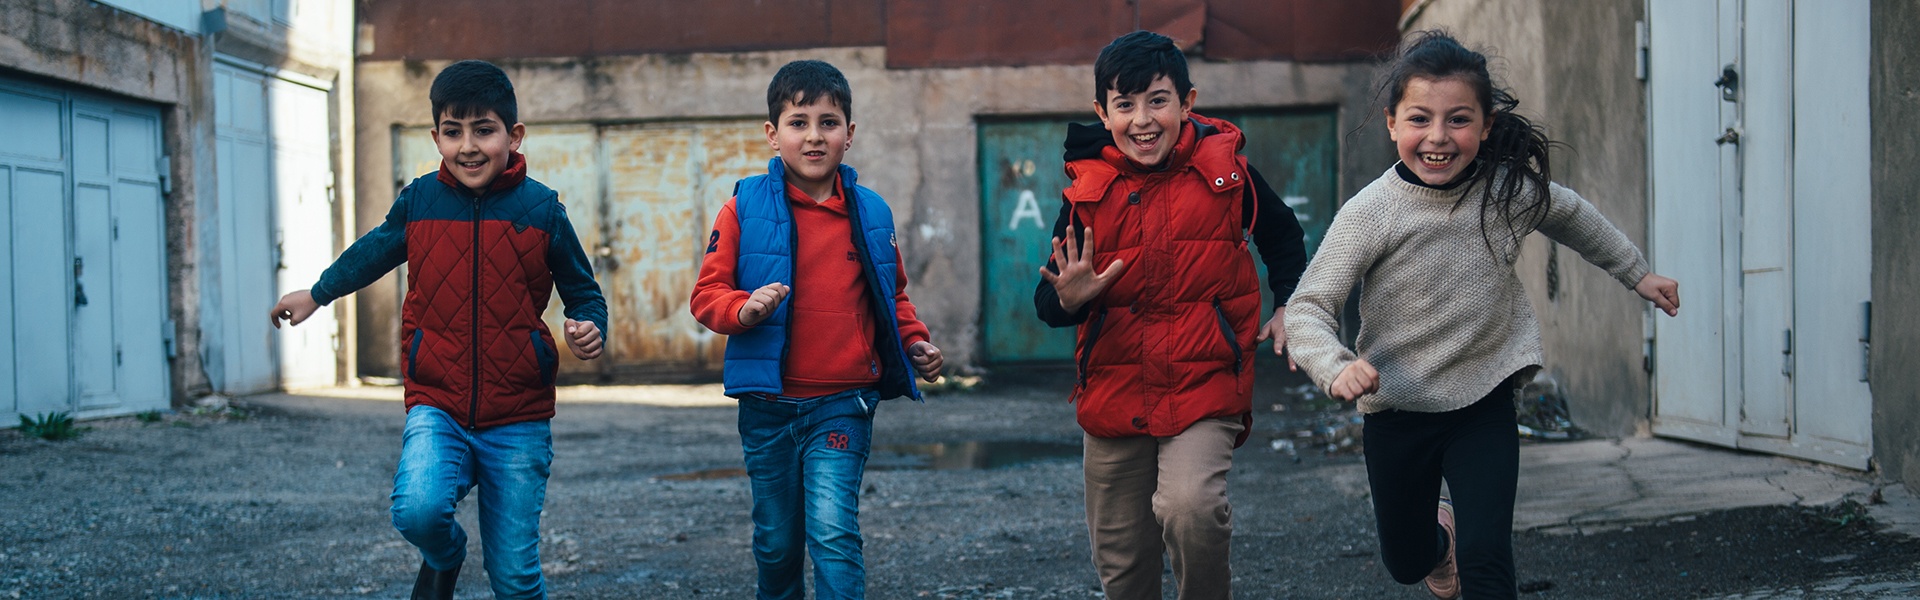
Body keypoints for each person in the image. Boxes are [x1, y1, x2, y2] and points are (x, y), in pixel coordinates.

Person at [1284, 31, 1681, 600]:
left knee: (1488, 556)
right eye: (1420, 119)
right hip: (1398, 408)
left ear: (1487, 125)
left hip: (1484, 398)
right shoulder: (1369, 213)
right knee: (1406, 559)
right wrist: (1334, 364)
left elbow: (1569, 213)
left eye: (1459, 120)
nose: (1439, 138)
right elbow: (1309, 307)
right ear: (1392, 123)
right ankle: (1436, 546)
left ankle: (1463, 549)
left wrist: (1636, 272)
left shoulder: (1506, 192)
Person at [268, 60, 607, 600]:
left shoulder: (541, 209)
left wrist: (589, 326)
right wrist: (317, 293)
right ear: (436, 137)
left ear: (513, 136)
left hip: (518, 412)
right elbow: (373, 252)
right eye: (453, 132)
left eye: (484, 130)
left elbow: (584, 291)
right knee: (418, 511)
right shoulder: (421, 200)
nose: (468, 146)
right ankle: (446, 556)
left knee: (516, 579)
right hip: (438, 401)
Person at [1032, 30, 1309, 599]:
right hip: (1114, 391)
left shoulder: (1227, 174)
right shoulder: (1086, 193)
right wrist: (1072, 296)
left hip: (1205, 383)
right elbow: (1049, 303)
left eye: (1158, 100)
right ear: (1101, 113)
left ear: (1187, 102)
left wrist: (1290, 306)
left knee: (1192, 509)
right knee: (1123, 562)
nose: (1142, 119)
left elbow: (1284, 237)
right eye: (1124, 104)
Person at [689, 59, 943, 600]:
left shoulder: (871, 212)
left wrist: (915, 340)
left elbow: (890, 294)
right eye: (798, 122)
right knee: (778, 543)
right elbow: (706, 295)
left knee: (833, 533)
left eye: (828, 122)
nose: (813, 136)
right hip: (767, 407)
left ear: (849, 135)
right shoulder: (741, 208)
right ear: (772, 134)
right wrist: (744, 309)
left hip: (843, 403)